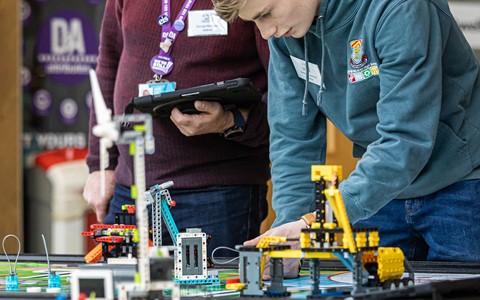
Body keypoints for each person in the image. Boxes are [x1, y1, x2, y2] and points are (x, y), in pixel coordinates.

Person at [213, 0, 480, 274]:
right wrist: (288, 236)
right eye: (254, 22)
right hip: (379, 191)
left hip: (460, 184)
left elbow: (405, 138)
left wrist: (315, 222)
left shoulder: (400, 7)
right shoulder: (286, 34)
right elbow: (292, 140)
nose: (266, 32)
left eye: (266, 14)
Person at [83, 0, 270, 255]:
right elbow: (108, 62)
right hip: (129, 190)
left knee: (206, 293)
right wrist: (101, 165)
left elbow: (286, 97)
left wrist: (230, 120)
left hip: (216, 196)